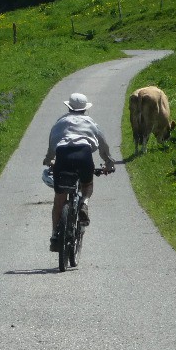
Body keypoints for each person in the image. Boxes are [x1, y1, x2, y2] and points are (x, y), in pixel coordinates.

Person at [43, 92, 116, 251]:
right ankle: (84, 203)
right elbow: (103, 146)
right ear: (85, 109)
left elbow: (52, 145)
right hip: (84, 155)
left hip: (63, 155)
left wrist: (49, 160)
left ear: (68, 107)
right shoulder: (91, 122)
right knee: (87, 185)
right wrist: (109, 162)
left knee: (59, 199)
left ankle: (55, 235)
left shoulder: (60, 122)